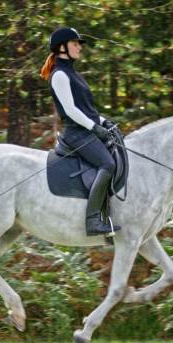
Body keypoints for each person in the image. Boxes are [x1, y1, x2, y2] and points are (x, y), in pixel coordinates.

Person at [40, 27, 121, 236]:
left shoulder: (73, 74)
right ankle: (93, 220)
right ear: (62, 47)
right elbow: (70, 110)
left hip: (87, 130)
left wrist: (104, 122)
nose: (79, 48)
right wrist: (94, 127)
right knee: (108, 163)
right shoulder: (59, 75)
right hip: (76, 134)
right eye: (75, 43)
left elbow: (87, 110)